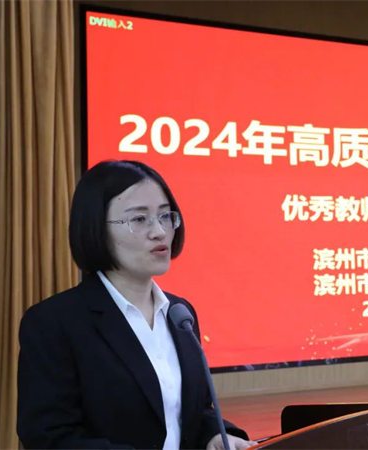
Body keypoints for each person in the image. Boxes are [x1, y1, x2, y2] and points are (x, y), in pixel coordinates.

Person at [17, 160, 255, 449]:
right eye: (140, 219)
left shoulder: (179, 313)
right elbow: (49, 438)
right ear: (96, 228)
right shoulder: (54, 322)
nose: (160, 231)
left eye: (165, 216)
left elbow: (194, 412)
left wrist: (215, 436)